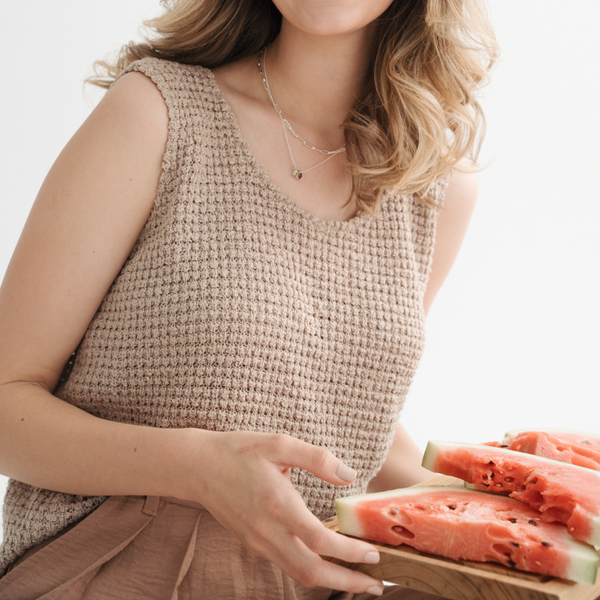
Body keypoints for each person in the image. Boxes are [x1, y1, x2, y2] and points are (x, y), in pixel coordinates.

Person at [0, 0, 498, 597]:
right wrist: (195, 468)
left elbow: (339, 412)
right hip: (120, 570)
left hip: (309, 581)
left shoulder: (433, 184)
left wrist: (489, 511)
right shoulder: (157, 112)